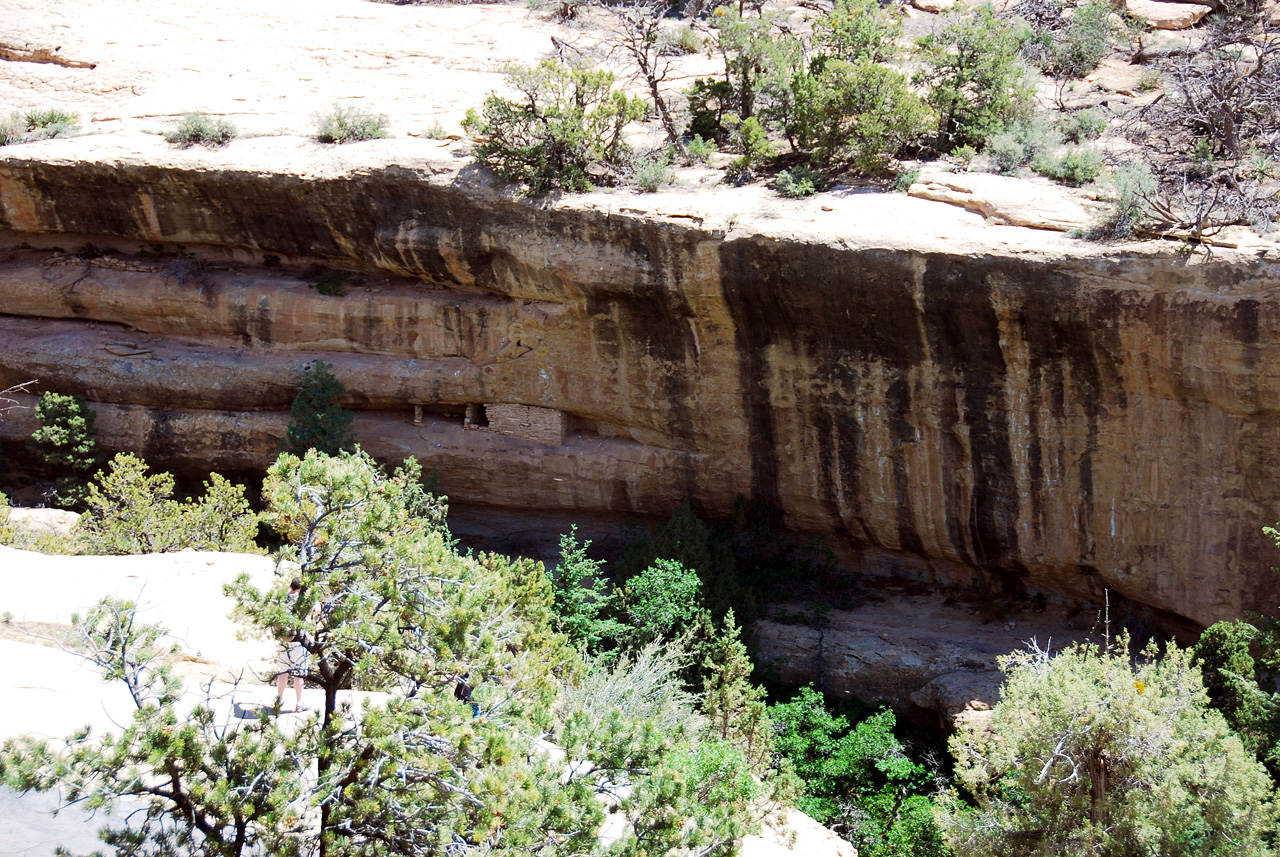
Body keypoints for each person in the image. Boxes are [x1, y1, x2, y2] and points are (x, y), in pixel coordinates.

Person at [275, 578, 311, 713]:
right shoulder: (302, 601)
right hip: (298, 642)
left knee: (283, 673)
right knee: (299, 674)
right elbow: (318, 610)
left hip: (283, 641)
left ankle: (278, 701)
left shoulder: (282, 599)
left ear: (290, 586)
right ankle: (299, 702)